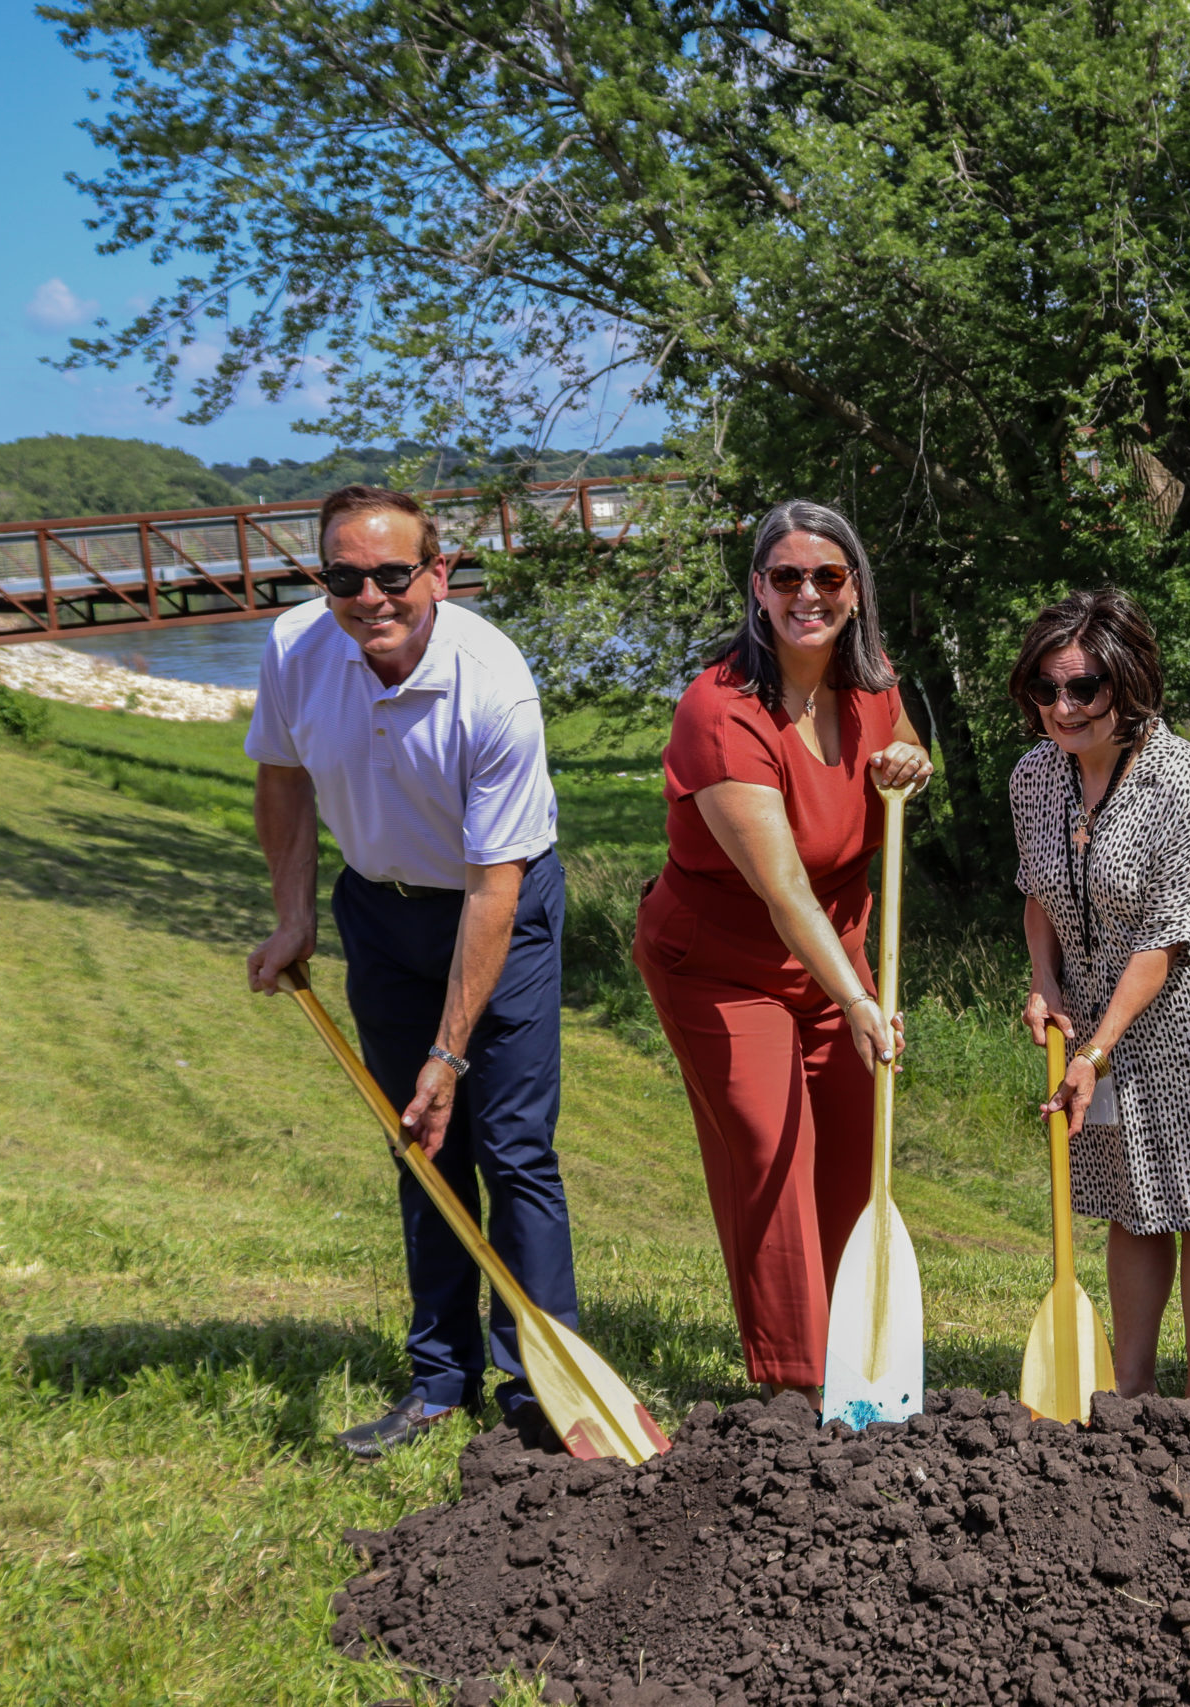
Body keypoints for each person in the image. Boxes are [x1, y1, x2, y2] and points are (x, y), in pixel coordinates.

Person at [244, 484, 576, 1459]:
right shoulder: (297, 648)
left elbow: (493, 887)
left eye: (394, 575)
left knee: (511, 1148)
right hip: (379, 917)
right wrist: (295, 912)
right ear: (324, 581)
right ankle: (439, 1381)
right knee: (420, 1147)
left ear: (437, 574)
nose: (370, 597)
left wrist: (449, 1049)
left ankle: (541, 1386)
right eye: (344, 576)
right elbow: (281, 773)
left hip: (498, 915)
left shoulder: (493, 683)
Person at [634, 501, 933, 1399]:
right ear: (757, 589)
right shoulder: (720, 712)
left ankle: (863, 1374)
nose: (809, 592)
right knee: (769, 1149)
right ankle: (796, 1394)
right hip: (724, 969)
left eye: (829, 576)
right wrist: (859, 1000)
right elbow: (782, 888)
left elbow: (905, 746)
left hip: (833, 957)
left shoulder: (869, 681)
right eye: (787, 576)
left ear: (855, 589)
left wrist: (912, 763)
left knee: (854, 1152)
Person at [1010, 589, 1190, 1397]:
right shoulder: (1035, 777)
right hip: (1101, 1008)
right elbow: (1039, 889)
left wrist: (1096, 1050)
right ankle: (1131, 1392)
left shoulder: (1181, 782)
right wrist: (1044, 980)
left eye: (1083, 687)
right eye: (1045, 688)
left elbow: (1167, 939)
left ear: (1129, 683)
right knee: (1129, 1199)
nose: (1061, 706)